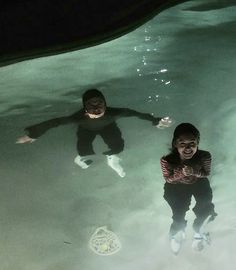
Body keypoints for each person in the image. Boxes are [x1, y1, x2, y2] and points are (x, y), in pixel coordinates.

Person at [17, 89, 172, 177]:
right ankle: (80, 159)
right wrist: (34, 133)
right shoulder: (78, 118)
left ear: (105, 103)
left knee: (118, 146)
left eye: (100, 104)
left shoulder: (113, 113)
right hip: (86, 129)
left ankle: (112, 159)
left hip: (108, 126)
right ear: (85, 107)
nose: (97, 109)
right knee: (84, 149)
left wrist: (155, 121)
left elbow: (136, 113)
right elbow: (54, 122)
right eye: (92, 106)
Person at [160, 123, 217, 254]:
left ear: (198, 142)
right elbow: (168, 179)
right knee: (178, 213)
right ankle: (177, 231)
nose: (188, 148)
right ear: (175, 143)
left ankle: (199, 229)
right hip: (175, 187)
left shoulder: (204, 156)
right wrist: (182, 173)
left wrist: (193, 171)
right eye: (182, 143)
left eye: (192, 143)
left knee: (205, 206)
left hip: (199, 183)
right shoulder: (166, 160)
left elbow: (206, 173)